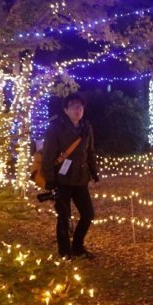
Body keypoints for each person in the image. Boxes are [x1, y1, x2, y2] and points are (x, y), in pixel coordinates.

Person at [41, 93, 100, 259]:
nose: (78, 109)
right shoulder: (55, 128)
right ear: (66, 110)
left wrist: (94, 172)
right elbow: (48, 156)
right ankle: (65, 251)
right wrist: (50, 180)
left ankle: (78, 246)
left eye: (80, 106)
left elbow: (90, 151)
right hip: (61, 180)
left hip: (80, 178)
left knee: (88, 214)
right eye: (73, 106)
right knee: (64, 217)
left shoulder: (86, 127)